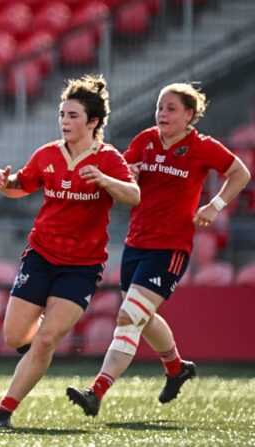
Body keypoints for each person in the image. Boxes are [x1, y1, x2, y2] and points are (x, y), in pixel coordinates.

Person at [66, 83, 251, 417]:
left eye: (171, 109)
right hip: (136, 243)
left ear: (189, 115)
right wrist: (129, 174)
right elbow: (121, 177)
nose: (162, 114)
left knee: (128, 316)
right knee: (142, 315)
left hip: (170, 248)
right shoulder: (146, 140)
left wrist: (215, 205)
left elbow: (240, 172)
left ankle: (96, 392)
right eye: (160, 108)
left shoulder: (202, 147)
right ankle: (176, 368)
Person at [0, 75, 140, 429]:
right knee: (14, 337)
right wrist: (3, 183)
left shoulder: (108, 158)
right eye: (62, 114)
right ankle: (38, 350)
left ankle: (3, 412)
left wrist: (106, 180)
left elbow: (134, 196)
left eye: (73, 115)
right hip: (40, 256)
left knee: (45, 340)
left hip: (81, 267)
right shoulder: (47, 154)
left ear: (93, 122)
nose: (64, 121)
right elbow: (20, 186)